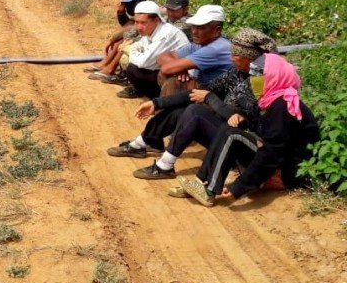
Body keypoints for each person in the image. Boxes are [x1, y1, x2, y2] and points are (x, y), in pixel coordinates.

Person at [112, 28, 276, 180]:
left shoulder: (260, 83)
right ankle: (143, 142)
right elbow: (200, 92)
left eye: (236, 55)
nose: (231, 58)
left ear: (250, 58)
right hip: (224, 132)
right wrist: (157, 103)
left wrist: (209, 98)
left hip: (239, 144)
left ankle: (165, 165)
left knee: (195, 111)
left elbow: (239, 119)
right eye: (231, 53)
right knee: (181, 108)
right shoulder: (237, 73)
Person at [175, 54, 320, 206]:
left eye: (261, 76)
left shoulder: (282, 105)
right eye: (253, 76)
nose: (254, 80)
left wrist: (239, 187)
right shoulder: (272, 98)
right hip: (279, 157)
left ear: (275, 77)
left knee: (233, 136)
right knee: (229, 127)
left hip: (288, 169)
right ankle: (200, 181)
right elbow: (264, 129)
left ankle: (209, 191)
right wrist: (244, 119)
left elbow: (273, 151)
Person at [116, 0, 189, 99]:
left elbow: (144, 62)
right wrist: (135, 49)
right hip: (164, 71)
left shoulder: (164, 34)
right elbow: (140, 44)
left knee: (133, 67)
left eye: (143, 23)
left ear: (156, 20)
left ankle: (159, 99)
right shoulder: (152, 30)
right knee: (132, 68)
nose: (139, 27)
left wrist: (130, 50)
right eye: (136, 22)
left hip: (181, 78)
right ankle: (151, 95)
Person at [156, 4, 232, 91]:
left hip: (215, 96)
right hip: (203, 89)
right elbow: (161, 57)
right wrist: (180, 70)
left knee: (174, 80)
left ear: (216, 30)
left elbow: (166, 68)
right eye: (194, 26)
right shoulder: (200, 43)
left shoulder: (216, 49)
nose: (194, 31)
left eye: (201, 28)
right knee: (171, 74)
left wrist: (177, 68)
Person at [87, 0, 146, 81]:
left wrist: (113, 39)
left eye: (129, 3)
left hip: (148, 42)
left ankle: (110, 69)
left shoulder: (148, 11)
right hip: (141, 38)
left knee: (124, 42)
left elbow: (132, 28)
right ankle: (106, 64)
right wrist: (121, 13)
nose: (128, 6)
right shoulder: (140, 11)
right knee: (122, 40)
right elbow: (127, 25)